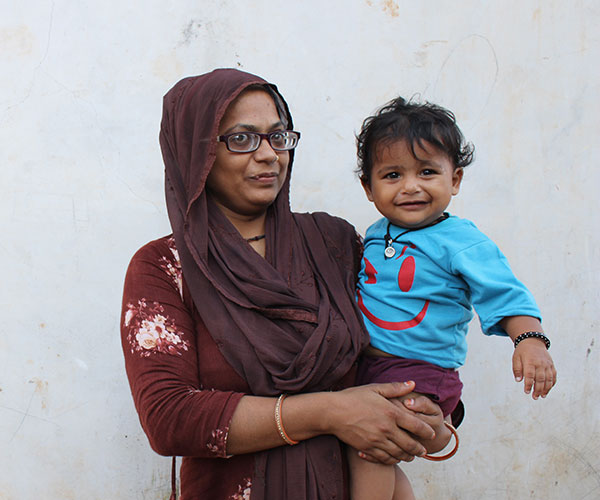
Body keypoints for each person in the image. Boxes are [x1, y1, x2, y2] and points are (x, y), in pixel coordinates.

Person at [120, 69, 451, 500]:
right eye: (242, 139)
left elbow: (406, 331)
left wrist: (433, 413)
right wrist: (329, 412)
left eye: (278, 137)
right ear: (195, 152)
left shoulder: (334, 244)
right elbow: (169, 418)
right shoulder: (165, 267)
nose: (268, 155)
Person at [348, 96, 557, 499]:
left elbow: (506, 293)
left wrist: (530, 341)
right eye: (392, 175)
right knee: (380, 453)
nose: (411, 186)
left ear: (455, 180)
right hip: (369, 368)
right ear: (368, 188)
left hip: (419, 371)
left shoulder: (461, 240)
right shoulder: (376, 233)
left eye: (427, 171)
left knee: (370, 447)